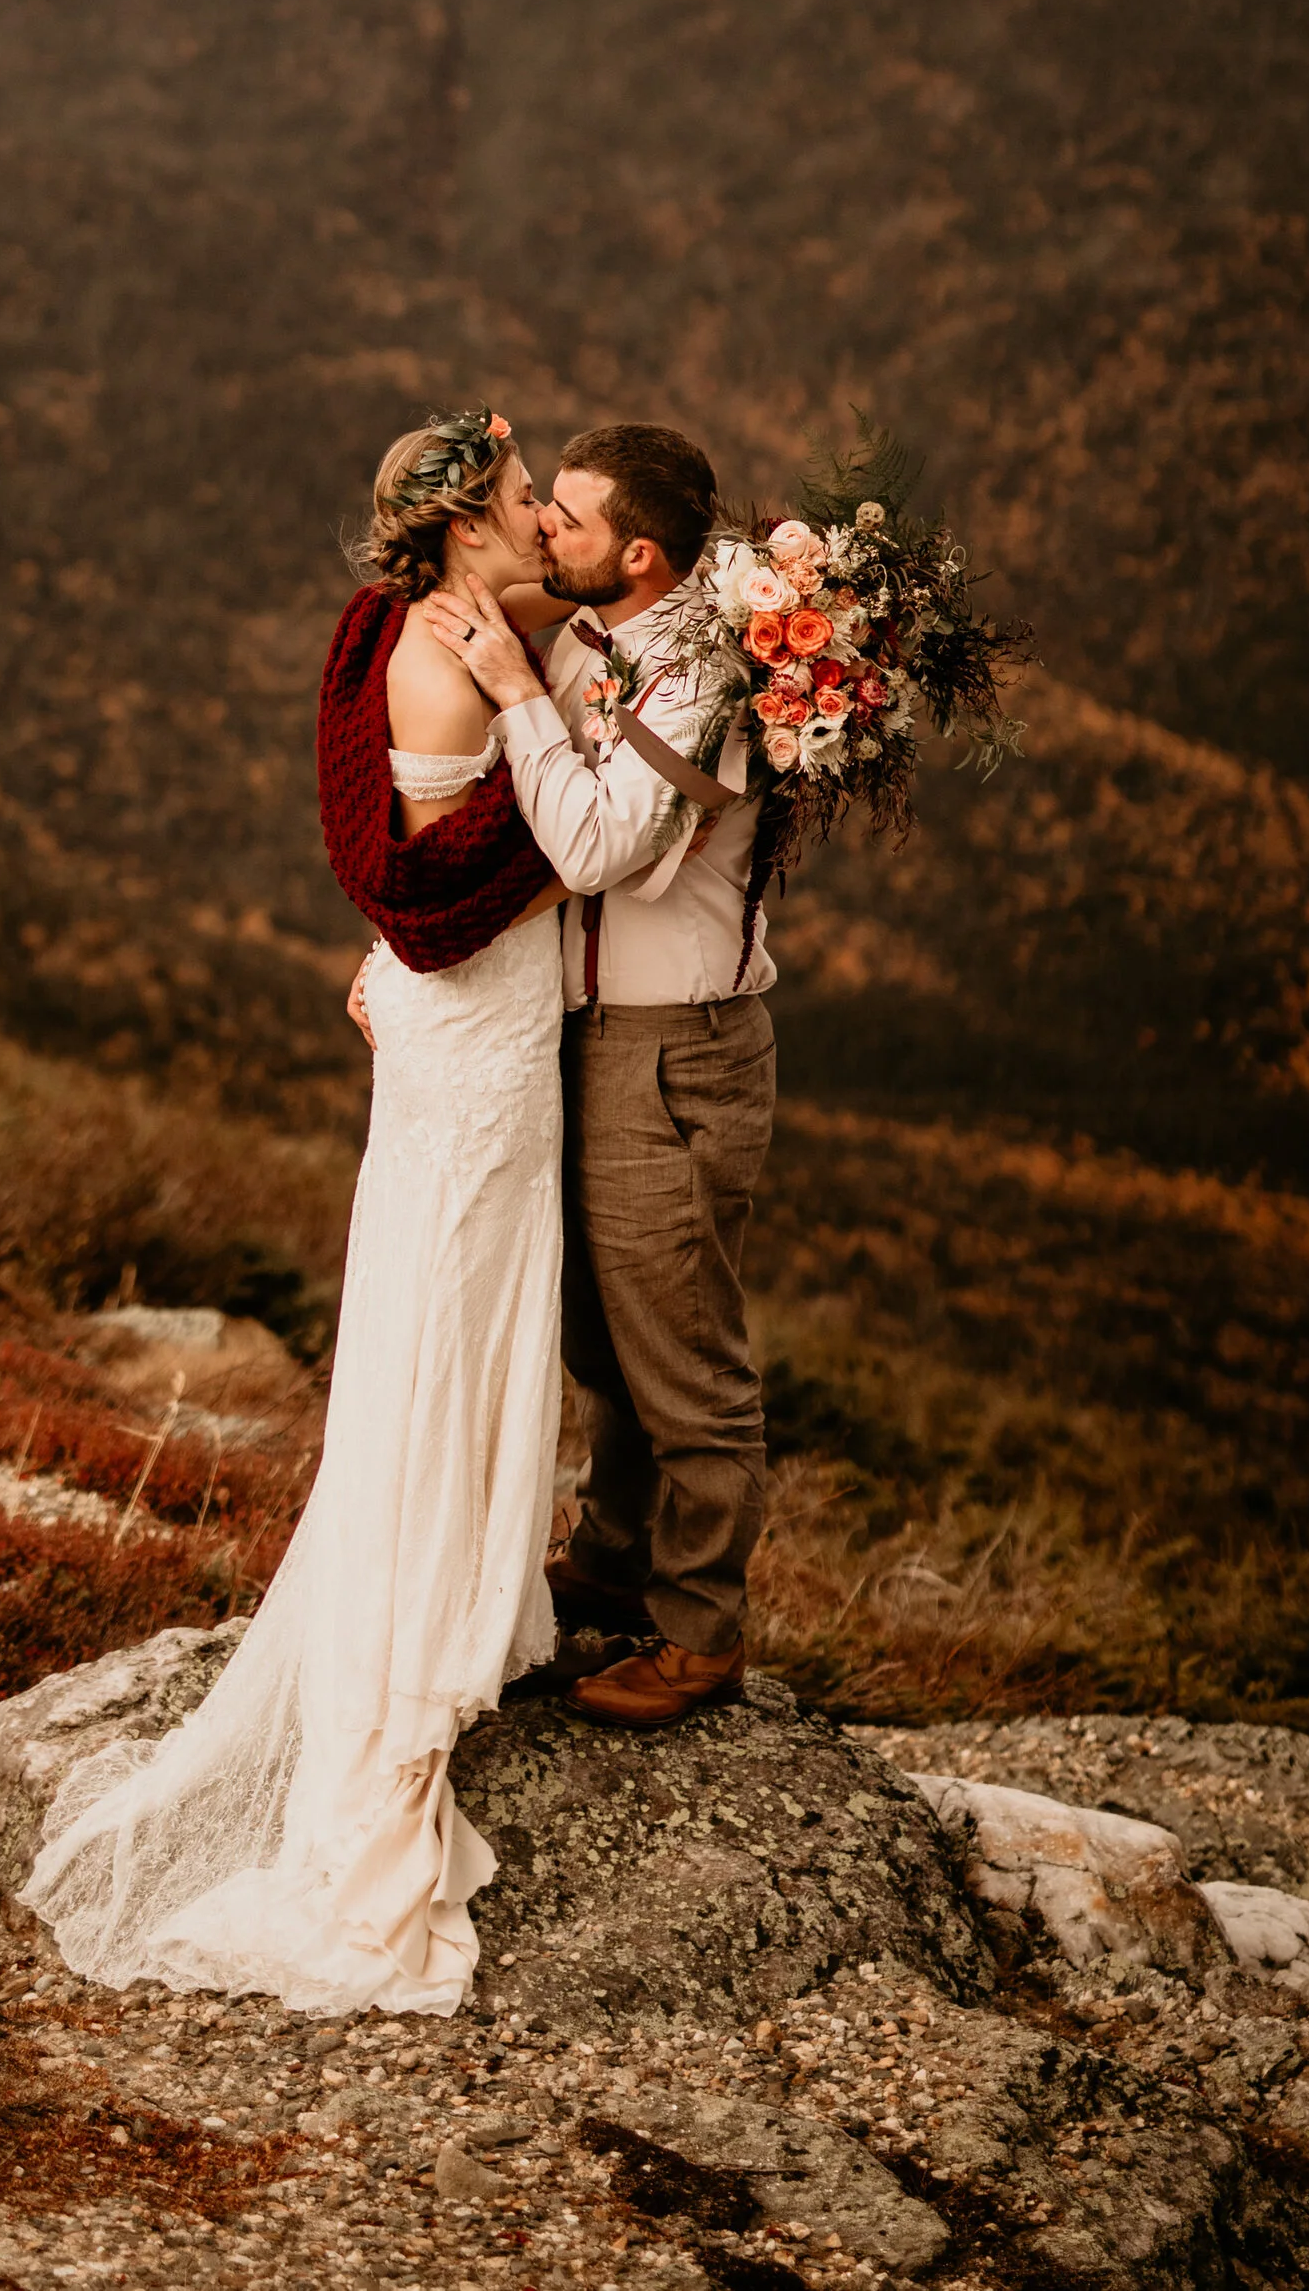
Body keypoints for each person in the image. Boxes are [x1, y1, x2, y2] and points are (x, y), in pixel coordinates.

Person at [21, 408, 577, 2015]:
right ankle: (416, 1664)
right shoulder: (455, 659)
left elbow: (426, 856)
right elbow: (496, 863)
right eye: (528, 492)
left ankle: (481, 1604)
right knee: (450, 1317)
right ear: (470, 522)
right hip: (477, 1044)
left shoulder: (431, 623)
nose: (546, 513)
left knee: (448, 1305)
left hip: (458, 1028)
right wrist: (583, 741)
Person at [423, 421, 775, 1734]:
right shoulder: (587, 632)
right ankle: (614, 1556)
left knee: (681, 1352)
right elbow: (501, 809)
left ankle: (700, 1635)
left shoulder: (700, 672)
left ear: (638, 551)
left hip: (677, 1043)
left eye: (563, 516)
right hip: (581, 1032)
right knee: (598, 1334)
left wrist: (515, 691)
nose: (543, 531)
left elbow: (585, 848)